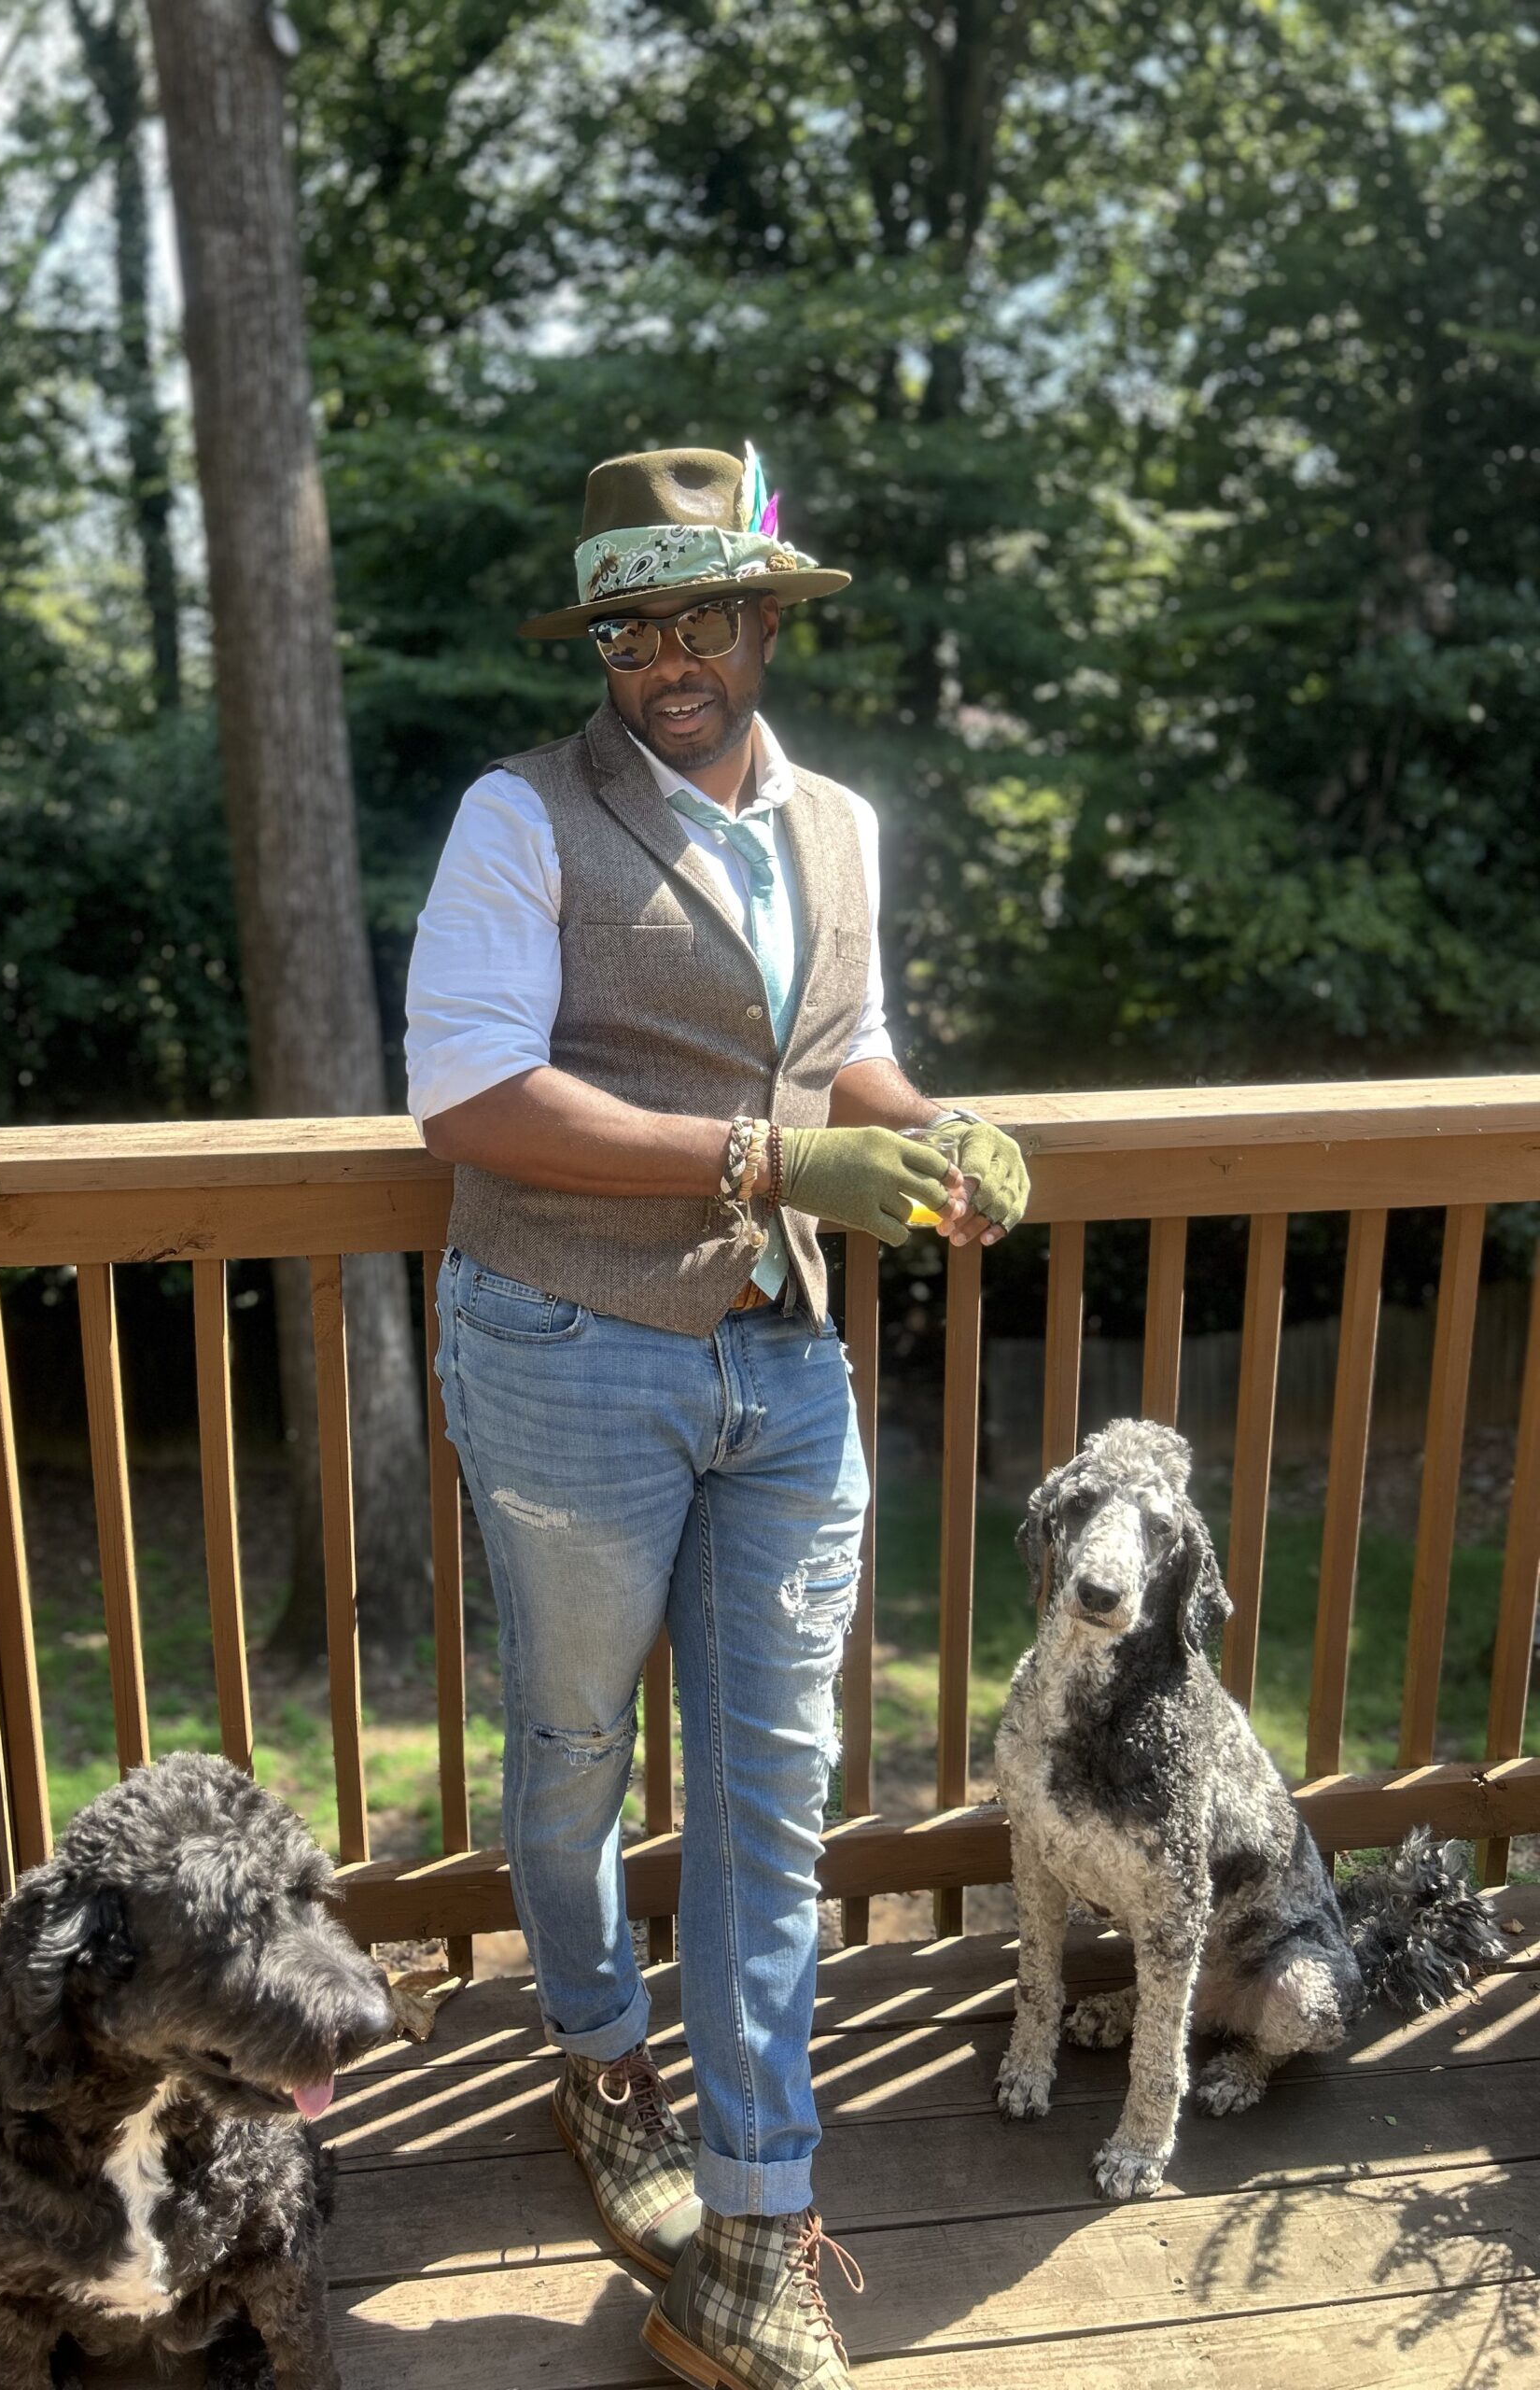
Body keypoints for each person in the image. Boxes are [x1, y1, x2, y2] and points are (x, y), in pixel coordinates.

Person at [404, 445, 1029, 2390]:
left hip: (784, 1359)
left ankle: (757, 2228)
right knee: (577, 1740)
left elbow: (843, 1046)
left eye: (698, 617)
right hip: (565, 1341)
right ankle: (601, 2059)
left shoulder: (839, 823)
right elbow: (472, 1096)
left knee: (778, 1784)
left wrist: (939, 1135)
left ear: (767, 619)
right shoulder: (520, 814)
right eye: (627, 629)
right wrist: (765, 1157)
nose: (663, 659)